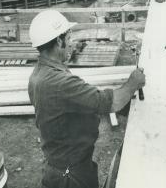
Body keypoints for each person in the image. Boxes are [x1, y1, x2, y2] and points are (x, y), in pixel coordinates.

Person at [28, 10, 145, 188]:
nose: (71, 43)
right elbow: (108, 103)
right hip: (71, 175)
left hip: (60, 164)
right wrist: (133, 83)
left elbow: (77, 103)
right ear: (59, 41)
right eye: (68, 38)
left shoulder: (40, 74)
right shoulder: (59, 82)